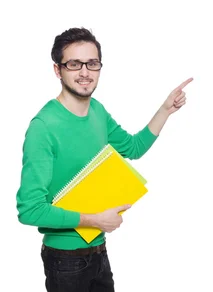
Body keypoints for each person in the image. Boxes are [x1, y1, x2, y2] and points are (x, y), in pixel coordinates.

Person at [15, 27, 192, 292]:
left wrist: (165, 110)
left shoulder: (97, 111)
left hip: (99, 252)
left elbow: (133, 148)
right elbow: (29, 210)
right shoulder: (43, 127)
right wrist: (94, 220)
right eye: (74, 64)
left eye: (92, 63)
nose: (85, 72)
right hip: (64, 261)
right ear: (58, 70)